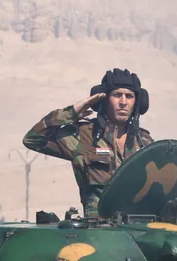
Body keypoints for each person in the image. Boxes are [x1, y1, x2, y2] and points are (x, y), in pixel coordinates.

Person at [22, 68, 154, 216]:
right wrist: (71, 113)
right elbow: (33, 139)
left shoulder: (144, 142)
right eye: (117, 95)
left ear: (137, 102)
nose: (123, 102)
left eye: (129, 96)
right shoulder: (83, 136)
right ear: (104, 100)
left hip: (138, 226)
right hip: (97, 227)